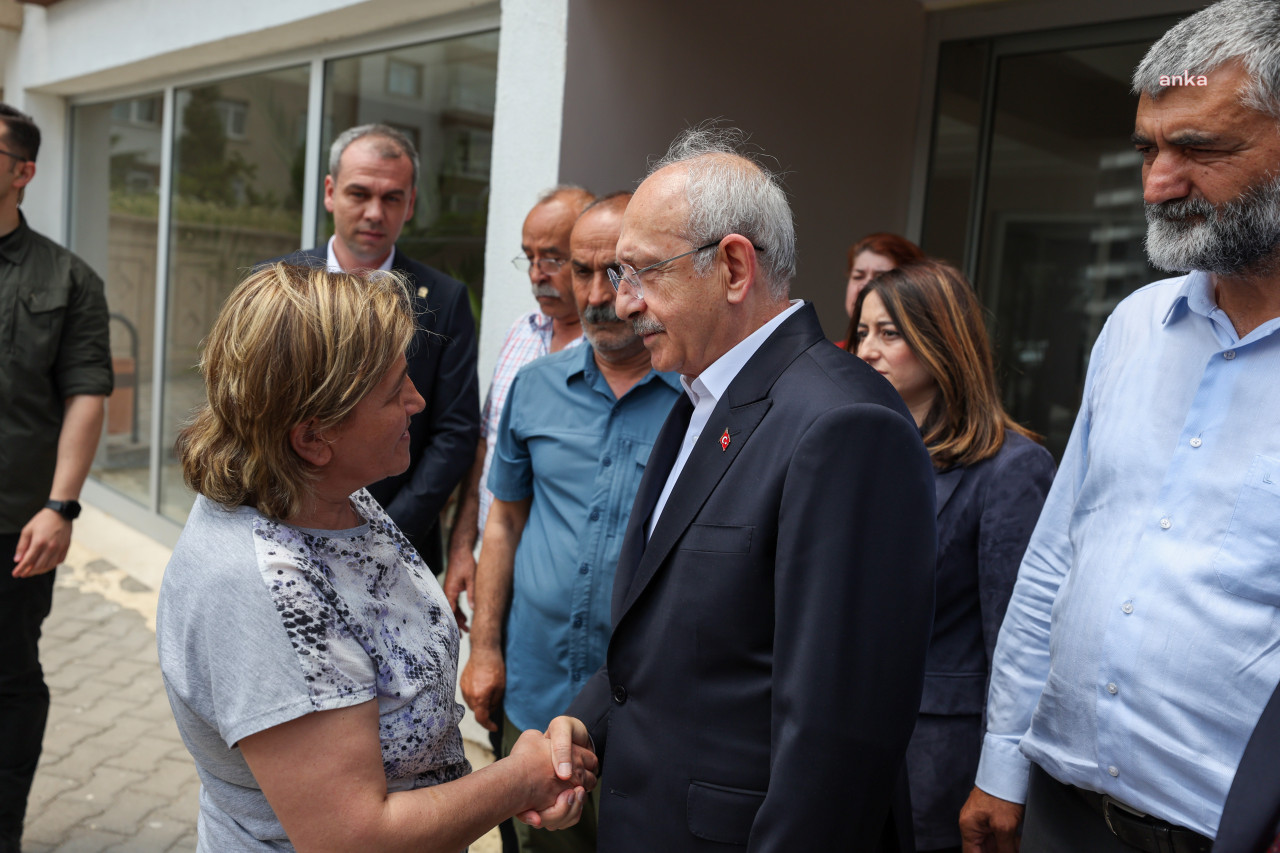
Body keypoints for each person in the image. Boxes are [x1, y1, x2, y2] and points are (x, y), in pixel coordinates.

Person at [546, 124, 937, 851]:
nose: (623, 303)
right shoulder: (700, 398)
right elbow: (676, 640)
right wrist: (586, 717)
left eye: (642, 273)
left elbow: (838, 744)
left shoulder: (844, 424)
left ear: (732, 267)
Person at [959, 1, 1280, 850]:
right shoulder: (1137, 324)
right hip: (1060, 805)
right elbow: (1059, 553)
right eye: (1148, 148)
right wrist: (1001, 763)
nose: (1157, 183)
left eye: (1201, 150)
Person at [156, 263, 596, 852]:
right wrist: (522, 779)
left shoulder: (329, 494)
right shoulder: (259, 588)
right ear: (313, 438)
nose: (418, 401)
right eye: (394, 393)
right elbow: (354, 838)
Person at [461, 191, 679, 853]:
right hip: (532, 697)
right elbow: (503, 524)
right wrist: (485, 648)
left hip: (646, 719)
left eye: (614, 270)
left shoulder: (699, 408)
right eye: (580, 271)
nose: (594, 291)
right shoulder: (534, 387)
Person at [852, 260, 1056, 853]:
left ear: (940, 341)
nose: (867, 349)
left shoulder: (1011, 468)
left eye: (889, 333)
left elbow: (1015, 644)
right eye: (862, 332)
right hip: (846, 746)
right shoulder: (860, 451)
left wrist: (1003, 780)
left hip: (941, 759)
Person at [285, 123, 479, 574]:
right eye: (359, 194)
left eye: (392, 197)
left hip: (399, 550)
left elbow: (454, 432)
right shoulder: (279, 285)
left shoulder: (445, 299)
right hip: (288, 532)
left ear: (410, 204)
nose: (375, 212)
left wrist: (386, 532)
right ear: (331, 192)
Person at [0, 103, 112, 853]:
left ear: (22, 171)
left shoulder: (67, 277)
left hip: (15, 522)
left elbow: (86, 393)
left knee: (8, 679)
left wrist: (61, 505)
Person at [444, 186, 594, 630]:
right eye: (528, 258)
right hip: (494, 574)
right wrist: (462, 549)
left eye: (551, 258)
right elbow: (484, 450)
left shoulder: (620, 354)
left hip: (563, 597)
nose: (536, 274)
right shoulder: (521, 333)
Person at [835, 232, 924, 347]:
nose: (865, 287)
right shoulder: (826, 357)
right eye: (858, 276)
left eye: (880, 278)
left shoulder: (918, 359)